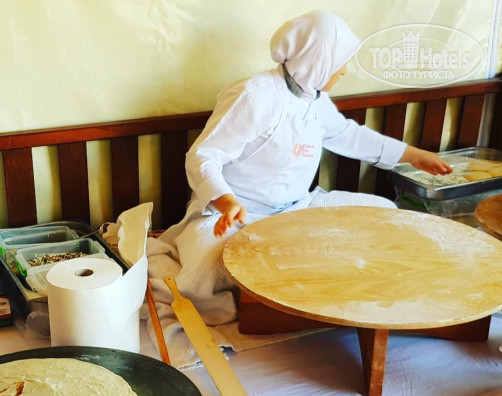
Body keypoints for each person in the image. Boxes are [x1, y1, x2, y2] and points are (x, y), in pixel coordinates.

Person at [143, 10, 452, 364]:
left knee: (385, 211)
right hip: (235, 214)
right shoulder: (254, 95)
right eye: (340, 62)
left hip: (296, 210)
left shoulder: (315, 98)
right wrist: (226, 201)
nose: (344, 71)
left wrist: (413, 155)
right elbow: (203, 156)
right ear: (318, 59)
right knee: (201, 272)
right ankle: (254, 306)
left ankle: (347, 288)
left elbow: (348, 135)